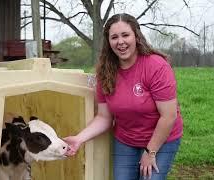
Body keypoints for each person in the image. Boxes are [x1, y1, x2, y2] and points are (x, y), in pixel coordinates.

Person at [63, 13, 183, 180]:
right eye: (114, 37)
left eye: (125, 35)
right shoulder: (105, 72)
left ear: (136, 36)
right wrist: (79, 138)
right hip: (127, 139)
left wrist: (150, 152)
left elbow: (169, 116)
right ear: (108, 41)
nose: (120, 42)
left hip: (162, 139)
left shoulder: (156, 66)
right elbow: (104, 117)